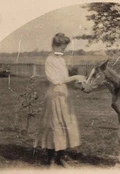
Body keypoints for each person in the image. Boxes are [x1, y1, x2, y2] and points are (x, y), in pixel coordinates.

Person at [33, 33, 86, 167]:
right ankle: (51, 158)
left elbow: (65, 79)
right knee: (54, 125)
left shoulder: (61, 60)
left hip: (64, 95)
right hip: (54, 96)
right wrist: (75, 77)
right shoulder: (49, 60)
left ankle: (60, 156)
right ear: (54, 46)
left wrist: (78, 83)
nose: (63, 51)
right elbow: (55, 80)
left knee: (64, 124)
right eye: (62, 48)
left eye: (64, 48)